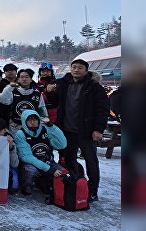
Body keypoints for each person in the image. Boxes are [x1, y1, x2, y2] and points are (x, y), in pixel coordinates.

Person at [55, 59, 109, 203]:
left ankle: (92, 191)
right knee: (69, 160)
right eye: (74, 67)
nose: (76, 70)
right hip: (67, 130)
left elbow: (103, 109)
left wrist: (98, 129)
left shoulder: (94, 87)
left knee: (91, 161)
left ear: (86, 70)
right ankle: (75, 185)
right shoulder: (62, 84)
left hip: (86, 131)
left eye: (80, 68)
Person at [14, 110, 67, 196]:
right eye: (29, 120)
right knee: (29, 170)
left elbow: (62, 144)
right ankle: (27, 187)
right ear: (24, 121)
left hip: (47, 161)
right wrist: (49, 169)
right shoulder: (21, 134)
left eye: (35, 119)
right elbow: (27, 157)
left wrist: (51, 126)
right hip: (30, 164)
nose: (32, 122)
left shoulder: (45, 129)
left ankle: (44, 183)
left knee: (64, 174)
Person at [0, 68, 47, 135]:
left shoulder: (37, 94)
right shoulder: (13, 91)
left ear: (31, 79)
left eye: (27, 77)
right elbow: (3, 100)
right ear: (18, 79)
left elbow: (42, 110)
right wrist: (9, 87)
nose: (24, 79)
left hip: (32, 126)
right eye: (22, 77)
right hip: (15, 126)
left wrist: (43, 126)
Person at [0, 118, 20, 193]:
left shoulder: (10, 141)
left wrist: (11, 147)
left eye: (0, 130)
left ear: (5, 130)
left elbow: (15, 164)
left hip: (6, 168)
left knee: (14, 187)